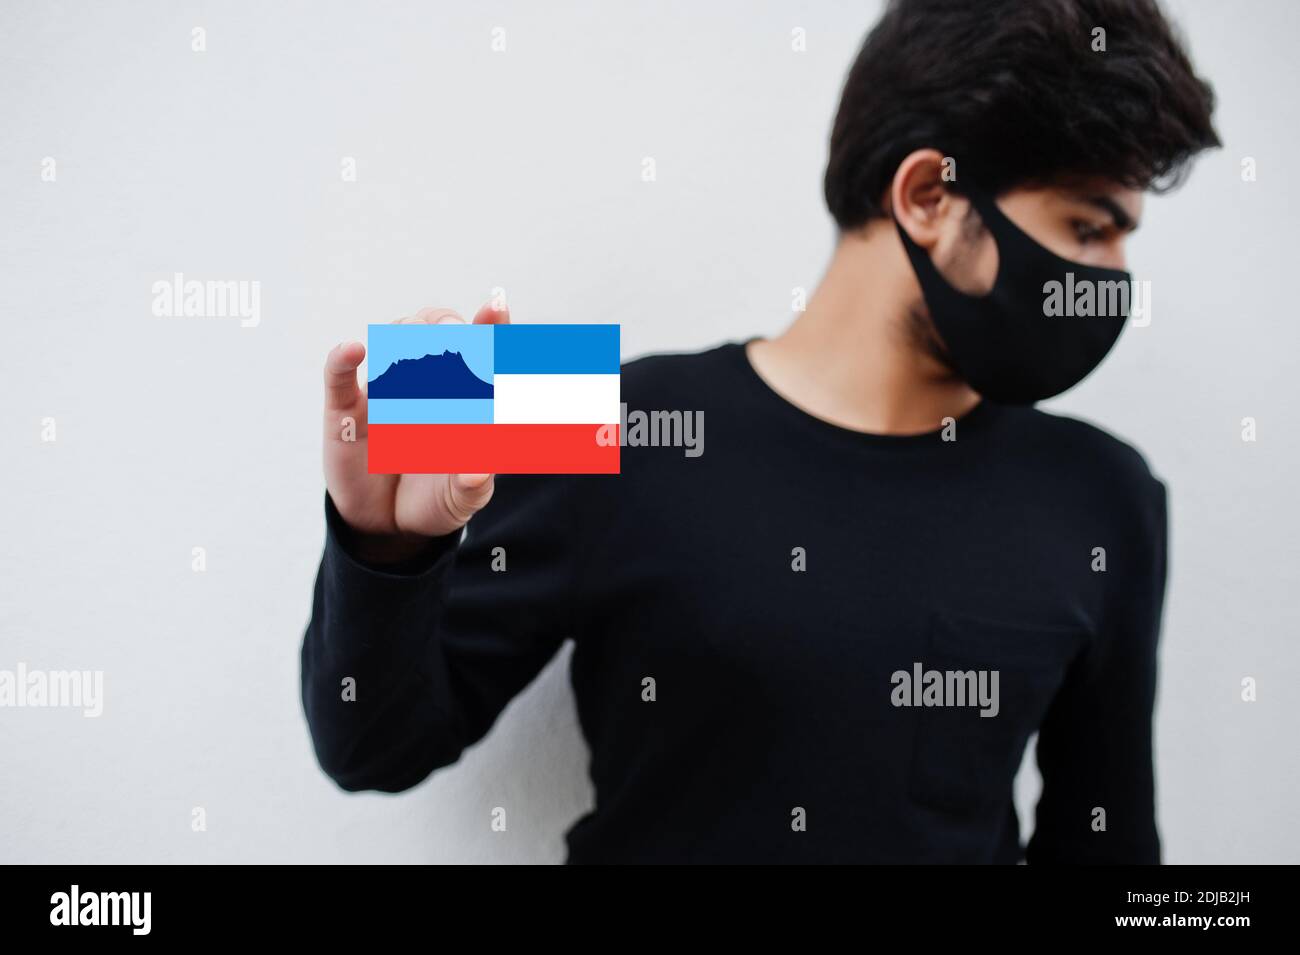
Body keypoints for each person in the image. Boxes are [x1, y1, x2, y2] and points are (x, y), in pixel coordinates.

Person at [301, 0, 1219, 863]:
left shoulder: (1106, 495)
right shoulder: (590, 405)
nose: (1112, 276)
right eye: (1089, 228)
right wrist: (387, 549)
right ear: (928, 198)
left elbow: (1110, 852)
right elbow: (371, 747)